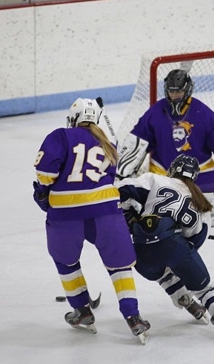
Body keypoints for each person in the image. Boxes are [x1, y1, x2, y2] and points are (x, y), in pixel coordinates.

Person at [32, 97, 150, 344]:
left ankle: (82, 311)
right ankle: (133, 316)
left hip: (66, 214)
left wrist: (43, 192)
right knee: (119, 265)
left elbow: (45, 173)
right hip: (106, 212)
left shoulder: (61, 136)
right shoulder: (109, 144)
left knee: (66, 261)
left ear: (73, 118)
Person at [115, 154, 214, 343]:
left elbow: (122, 189)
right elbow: (195, 242)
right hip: (175, 247)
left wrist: (131, 215)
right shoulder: (201, 203)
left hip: (141, 253)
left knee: (163, 274)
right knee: (204, 288)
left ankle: (186, 301)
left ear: (172, 170)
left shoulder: (155, 179)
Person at [116, 68, 214, 226]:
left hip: (201, 174)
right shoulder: (156, 112)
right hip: (164, 175)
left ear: (188, 90)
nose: (175, 96)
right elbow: (138, 138)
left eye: (179, 92)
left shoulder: (201, 111)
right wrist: (123, 170)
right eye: (172, 92)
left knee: (202, 206)